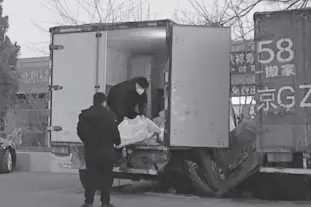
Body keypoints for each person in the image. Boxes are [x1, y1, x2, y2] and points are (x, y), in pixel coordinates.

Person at [77, 92, 121, 207]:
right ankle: (105, 202)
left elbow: (80, 132)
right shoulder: (109, 116)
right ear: (103, 102)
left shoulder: (84, 115)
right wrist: (117, 142)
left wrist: (88, 141)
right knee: (106, 177)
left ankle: (88, 202)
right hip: (106, 151)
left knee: (90, 176)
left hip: (91, 150)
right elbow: (114, 133)